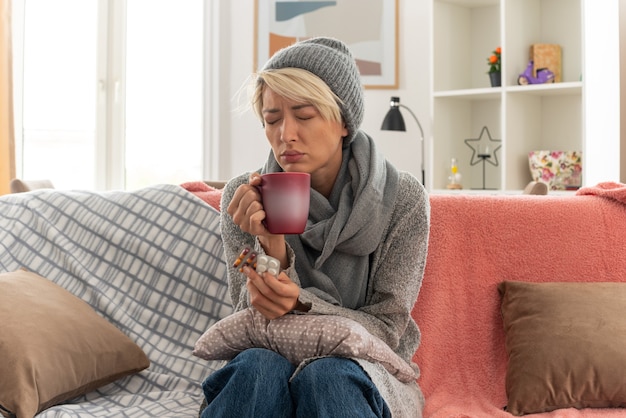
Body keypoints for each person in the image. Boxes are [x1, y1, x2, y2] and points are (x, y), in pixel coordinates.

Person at [200, 37, 430, 418]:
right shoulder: (245, 196)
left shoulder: (402, 199)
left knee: (329, 377)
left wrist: (302, 303)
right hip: (268, 357)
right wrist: (270, 247)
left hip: (364, 369)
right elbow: (247, 311)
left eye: (303, 115)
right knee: (258, 369)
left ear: (343, 122)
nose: (285, 135)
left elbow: (388, 329)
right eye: (271, 119)